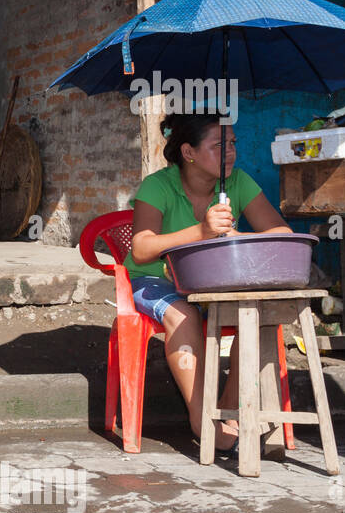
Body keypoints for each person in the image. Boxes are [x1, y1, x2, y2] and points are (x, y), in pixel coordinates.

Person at [125, 112, 292, 456]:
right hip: (156, 279)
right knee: (182, 314)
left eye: (232, 144)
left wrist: (238, 237)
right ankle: (202, 421)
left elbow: (282, 233)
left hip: (214, 281)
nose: (230, 152)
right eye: (219, 145)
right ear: (188, 153)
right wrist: (201, 231)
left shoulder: (239, 183)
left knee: (254, 314)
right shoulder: (158, 185)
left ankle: (228, 414)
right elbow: (141, 250)